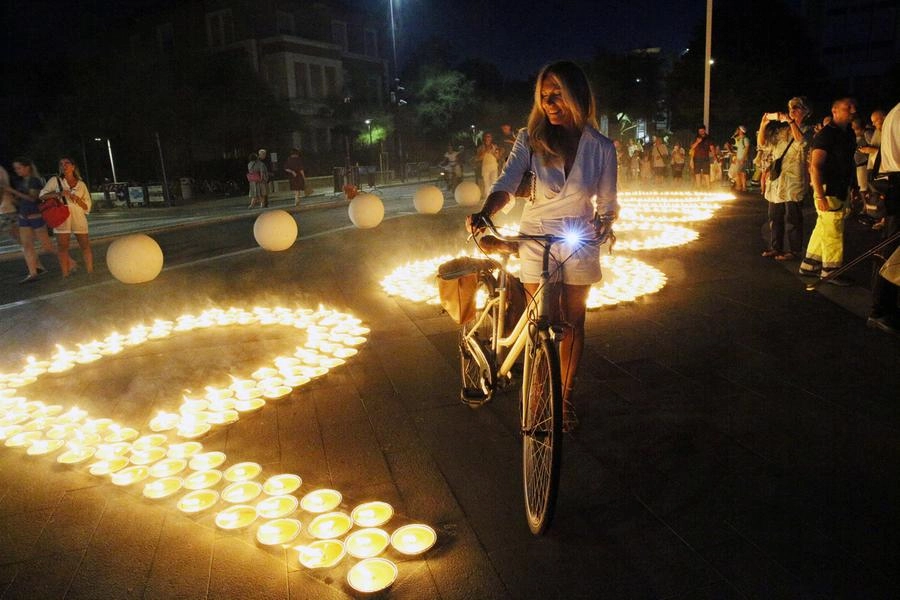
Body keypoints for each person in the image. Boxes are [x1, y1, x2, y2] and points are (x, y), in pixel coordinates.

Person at [466, 60, 618, 431]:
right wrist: (487, 211)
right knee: (540, 319)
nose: (550, 102)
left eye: (558, 94)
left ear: (577, 96)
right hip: (536, 236)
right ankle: (536, 395)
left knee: (573, 320)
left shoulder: (600, 147)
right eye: (544, 95)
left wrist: (604, 223)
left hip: (578, 238)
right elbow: (507, 181)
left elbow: (608, 201)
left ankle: (563, 400)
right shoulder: (529, 139)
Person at [799, 97, 858, 284]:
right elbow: (815, 166)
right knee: (833, 229)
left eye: (853, 107)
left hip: (839, 187)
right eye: (848, 107)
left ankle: (810, 264)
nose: (853, 110)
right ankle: (830, 271)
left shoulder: (848, 132)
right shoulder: (826, 135)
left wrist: (852, 186)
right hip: (829, 189)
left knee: (824, 226)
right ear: (835, 110)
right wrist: (819, 195)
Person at [758, 96, 812, 261]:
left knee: (793, 217)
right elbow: (763, 143)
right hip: (777, 180)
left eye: (796, 108)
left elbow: (801, 142)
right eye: (790, 108)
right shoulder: (781, 131)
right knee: (774, 215)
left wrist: (790, 122)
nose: (792, 111)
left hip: (794, 180)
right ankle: (776, 247)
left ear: (805, 111)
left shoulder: (808, 130)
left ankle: (795, 251)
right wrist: (763, 124)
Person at [867, 102, 900, 335]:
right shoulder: (897, 116)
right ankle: (881, 310)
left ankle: (883, 308)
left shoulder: (894, 114)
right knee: (894, 251)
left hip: (895, 183)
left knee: (893, 248)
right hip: (898, 181)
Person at [40, 157, 92, 277]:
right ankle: (65, 274)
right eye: (61, 164)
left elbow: (87, 206)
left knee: (84, 244)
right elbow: (42, 196)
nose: (64, 165)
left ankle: (90, 271)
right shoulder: (55, 180)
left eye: (67, 163)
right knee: (62, 246)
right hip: (61, 215)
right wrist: (59, 193)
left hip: (78, 215)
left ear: (73, 166)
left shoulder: (81, 184)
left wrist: (78, 199)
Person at [11, 157, 56, 283]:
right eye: (15, 168)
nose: (16, 171)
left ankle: (70, 262)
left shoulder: (34, 181)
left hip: (35, 217)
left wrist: (12, 191)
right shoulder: (21, 182)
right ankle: (33, 273)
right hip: (23, 217)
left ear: (27, 168)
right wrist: (11, 197)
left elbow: (32, 198)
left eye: (19, 168)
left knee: (48, 247)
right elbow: (21, 200)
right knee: (27, 245)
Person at [476, 132, 502, 200]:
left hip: (494, 166)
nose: (488, 138)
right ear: (484, 138)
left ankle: (494, 198)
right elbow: (478, 158)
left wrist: (495, 153)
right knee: (486, 184)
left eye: (489, 136)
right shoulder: (481, 147)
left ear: (491, 138)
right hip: (485, 167)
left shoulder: (495, 146)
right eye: (487, 136)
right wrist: (485, 151)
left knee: (494, 183)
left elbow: (498, 157)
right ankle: (488, 199)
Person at [730, 126, 750, 191]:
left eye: (738, 130)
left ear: (741, 131)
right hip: (738, 158)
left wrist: (743, 158)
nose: (737, 131)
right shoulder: (739, 139)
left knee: (742, 172)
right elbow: (732, 141)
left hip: (742, 158)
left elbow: (747, 149)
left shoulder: (745, 139)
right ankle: (741, 186)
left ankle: (742, 186)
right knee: (739, 172)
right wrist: (734, 135)